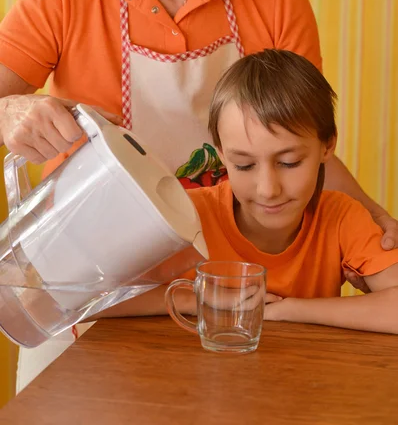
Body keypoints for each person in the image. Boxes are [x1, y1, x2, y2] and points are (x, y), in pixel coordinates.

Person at [0, 0, 396, 266]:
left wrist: (372, 219)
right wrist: (8, 111)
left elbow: (301, 145)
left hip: (234, 274)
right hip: (98, 273)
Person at [99, 49, 398, 334]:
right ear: (222, 155)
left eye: (289, 162)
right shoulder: (186, 216)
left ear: (327, 146)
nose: (268, 190)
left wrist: (291, 310)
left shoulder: (342, 217)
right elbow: (87, 300)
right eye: (243, 165)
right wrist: (199, 298)